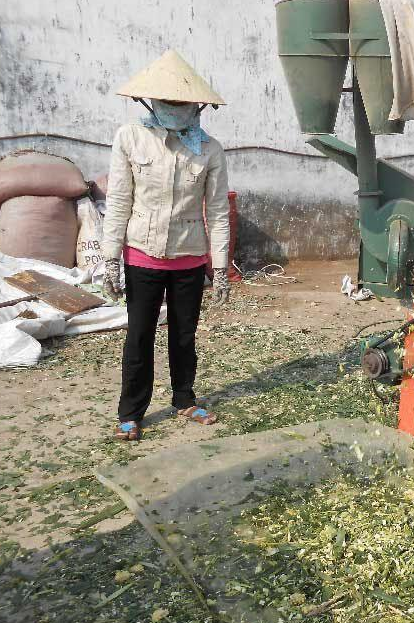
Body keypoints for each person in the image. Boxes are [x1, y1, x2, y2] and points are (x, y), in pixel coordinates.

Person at [101, 50, 231, 441]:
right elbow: (119, 201)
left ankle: (184, 399)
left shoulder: (210, 150)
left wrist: (221, 268)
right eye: (168, 102)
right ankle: (131, 411)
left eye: (183, 103)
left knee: (184, 334)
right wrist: (110, 259)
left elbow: (219, 212)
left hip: (189, 257)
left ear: (197, 107)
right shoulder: (130, 138)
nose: (175, 109)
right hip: (142, 255)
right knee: (139, 335)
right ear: (152, 102)